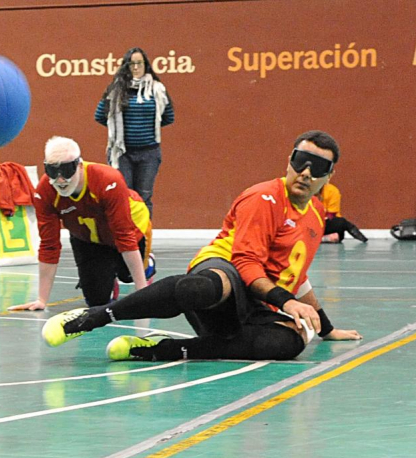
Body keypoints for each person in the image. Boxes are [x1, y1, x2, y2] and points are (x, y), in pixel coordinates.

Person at [41, 130, 362, 362]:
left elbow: (298, 274)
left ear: (330, 176)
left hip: (255, 305)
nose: (305, 173)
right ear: (288, 161)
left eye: (317, 168)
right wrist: (288, 303)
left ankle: (156, 350)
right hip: (226, 275)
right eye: (300, 161)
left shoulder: (316, 217)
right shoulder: (264, 198)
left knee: (287, 344)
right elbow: (247, 264)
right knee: (206, 287)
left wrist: (326, 327)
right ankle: (94, 317)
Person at [8, 136, 154, 311]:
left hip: (130, 228)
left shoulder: (107, 180)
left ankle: (147, 264)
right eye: (54, 172)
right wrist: (41, 299)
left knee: (129, 275)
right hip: (86, 237)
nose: (60, 180)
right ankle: (107, 278)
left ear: (79, 165)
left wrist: (142, 294)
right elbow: (49, 246)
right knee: (96, 301)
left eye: (66, 170)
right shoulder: (44, 192)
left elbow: (124, 236)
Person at [94, 47, 175, 218]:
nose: (136, 67)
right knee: (125, 196)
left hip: (149, 153)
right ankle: (127, 240)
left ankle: (144, 240)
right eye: (132, 64)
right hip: (123, 153)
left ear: (146, 65)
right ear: (126, 67)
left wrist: (145, 130)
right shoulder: (116, 89)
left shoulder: (157, 89)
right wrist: (118, 134)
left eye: (139, 63)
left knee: (144, 197)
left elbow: (168, 116)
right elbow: (100, 116)